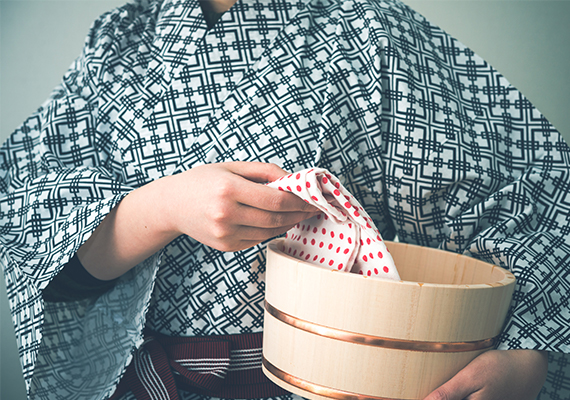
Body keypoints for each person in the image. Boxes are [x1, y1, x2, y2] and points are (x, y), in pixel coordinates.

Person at [0, 0, 568, 399]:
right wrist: (160, 209)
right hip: (151, 384)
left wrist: (528, 357)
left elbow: (538, 193)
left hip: (347, 383)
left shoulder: (375, 32)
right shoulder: (115, 42)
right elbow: (33, 234)